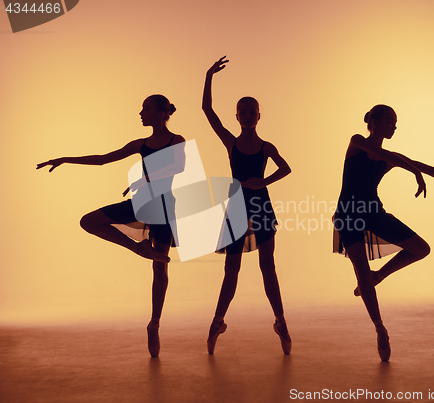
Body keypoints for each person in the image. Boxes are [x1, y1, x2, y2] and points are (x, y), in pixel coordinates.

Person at [37, 95, 185, 357]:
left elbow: (180, 166)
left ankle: (154, 324)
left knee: (160, 268)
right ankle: (139, 249)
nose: (141, 113)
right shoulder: (140, 144)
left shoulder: (177, 141)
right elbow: (103, 159)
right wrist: (65, 159)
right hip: (141, 204)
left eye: (146, 109)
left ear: (162, 113)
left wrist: (146, 177)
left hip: (163, 208)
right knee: (89, 221)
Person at [333, 104, 434, 361]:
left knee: (421, 248)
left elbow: (426, 167)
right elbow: (400, 161)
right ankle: (380, 329)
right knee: (360, 272)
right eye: (390, 121)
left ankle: (380, 275)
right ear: (373, 121)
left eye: (395, 122)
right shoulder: (357, 142)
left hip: (374, 213)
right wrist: (413, 170)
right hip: (348, 214)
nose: (394, 126)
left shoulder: (388, 158)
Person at [202, 56, 293, 354]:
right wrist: (208, 76)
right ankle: (217, 323)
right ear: (237, 117)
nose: (248, 115)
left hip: (262, 206)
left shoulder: (267, 147)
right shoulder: (231, 143)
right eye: (243, 112)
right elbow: (207, 110)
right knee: (232, 268)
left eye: (252, 111)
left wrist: (262, 183)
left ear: (258, 116)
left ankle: (280, 322)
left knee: (269, 266)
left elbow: (286, 168)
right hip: (237, 208)